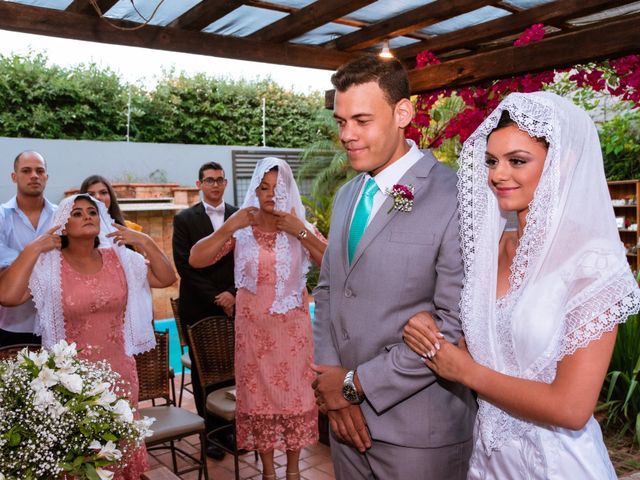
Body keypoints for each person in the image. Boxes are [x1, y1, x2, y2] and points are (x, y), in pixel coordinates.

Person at [402, 91, 640, 479]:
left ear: (562, 164)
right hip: (489, 462)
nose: (498, 174)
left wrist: (464, 372)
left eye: (517, 161)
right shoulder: (489, 252)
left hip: (558, 466)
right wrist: (434, 338)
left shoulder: (592, 264)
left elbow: (572, 408)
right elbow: (486, 350)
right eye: (492, 161)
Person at [311, 55, 476, 479]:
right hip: (347, 427)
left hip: (420, 435)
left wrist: (354, 386)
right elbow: (329, 289)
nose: (347, 135)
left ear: (403, 112)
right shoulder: (348, 194)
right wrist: (332, 382)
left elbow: (455, 323)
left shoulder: (456, 196)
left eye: (361, 120)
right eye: (341, 121)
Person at [0, 193, 176, 479]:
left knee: (119, 450)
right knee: (83, 457)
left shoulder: (120, 259)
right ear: (63, 225)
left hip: (120, 373)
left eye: (92, 212)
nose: (87, 217)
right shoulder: (49, 266)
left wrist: (144, 241)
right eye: (78, 213)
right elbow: (7, 296)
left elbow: (166, 278)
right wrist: (33, 248)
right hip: (73, 380)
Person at [190, 157, 326, 480]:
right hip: (252, 337)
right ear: (255, 189)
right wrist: (229, 226)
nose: (270, 194)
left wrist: (301, 233)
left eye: (277, 188)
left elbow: (333, 262)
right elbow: (196, 258)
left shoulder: (300, 226)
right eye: (263, 187)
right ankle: (268, 473)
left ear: (288, 190)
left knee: (294, 400)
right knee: (260, 402)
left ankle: (293, 472)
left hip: (292, 337)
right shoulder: (242, 231)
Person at [171, 161, 238, 459]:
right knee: (203, 372)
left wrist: (233, 294)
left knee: (233, 369)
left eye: (219, 180)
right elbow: (184, 265)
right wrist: (217, 297)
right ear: (199, 184)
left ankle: (230, 429)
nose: (215, 185)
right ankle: (210, 434)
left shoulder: (238, 216)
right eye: (209, 180)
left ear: (225, 183)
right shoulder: (184, 219)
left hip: (235, 304)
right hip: (199, 305)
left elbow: (248, 261)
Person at [0, 150, 56, 347]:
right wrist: (41, 254)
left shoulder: (62, 217)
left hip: (57, 326)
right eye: (26, 170)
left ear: (46, 177)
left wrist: (18, 268)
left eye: (39, 171)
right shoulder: (1, 217)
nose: (34, 175)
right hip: (10, 326)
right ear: (14, 177)